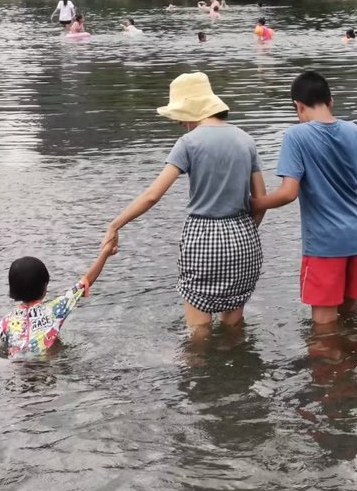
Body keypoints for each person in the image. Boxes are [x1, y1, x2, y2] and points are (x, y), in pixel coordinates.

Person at [103, 72, 266, 332]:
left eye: (180, 114)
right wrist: (243, 231)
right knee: (234, 328)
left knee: (198, 333)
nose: (179, 122)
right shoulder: (246, 140)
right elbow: (260, 200)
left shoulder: (188, 143)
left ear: (192, 108)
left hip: (203, 238)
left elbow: (152, 195)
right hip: (243, 239)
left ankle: (195, 373)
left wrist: (116, 224)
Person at [252, 71, 357, 330]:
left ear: (298, 106)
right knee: (350, 315)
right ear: (330, 100)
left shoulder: (296, 136)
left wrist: (255, 203)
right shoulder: (354, 132)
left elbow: (288, 192)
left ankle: (332, 369)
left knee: (324, 328)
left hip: (325, 245)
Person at [0, 241, 116, 360]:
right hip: (43, 365)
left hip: (17, 366)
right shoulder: (54, 310)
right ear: (44, 287)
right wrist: (104, 253)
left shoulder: (6, 321)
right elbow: (85, 282)